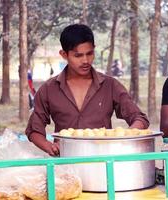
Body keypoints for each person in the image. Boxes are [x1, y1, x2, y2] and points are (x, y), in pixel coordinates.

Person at [26, 24, 149, 156]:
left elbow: (140, 118)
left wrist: (125, 137)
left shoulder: (110, 85)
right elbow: (34, 130)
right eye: (78, 56)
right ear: (64, 54)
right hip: (66, 165)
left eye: (89, 54)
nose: (85, 61)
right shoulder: (49, 89)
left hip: (104, 163)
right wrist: (49, 146)